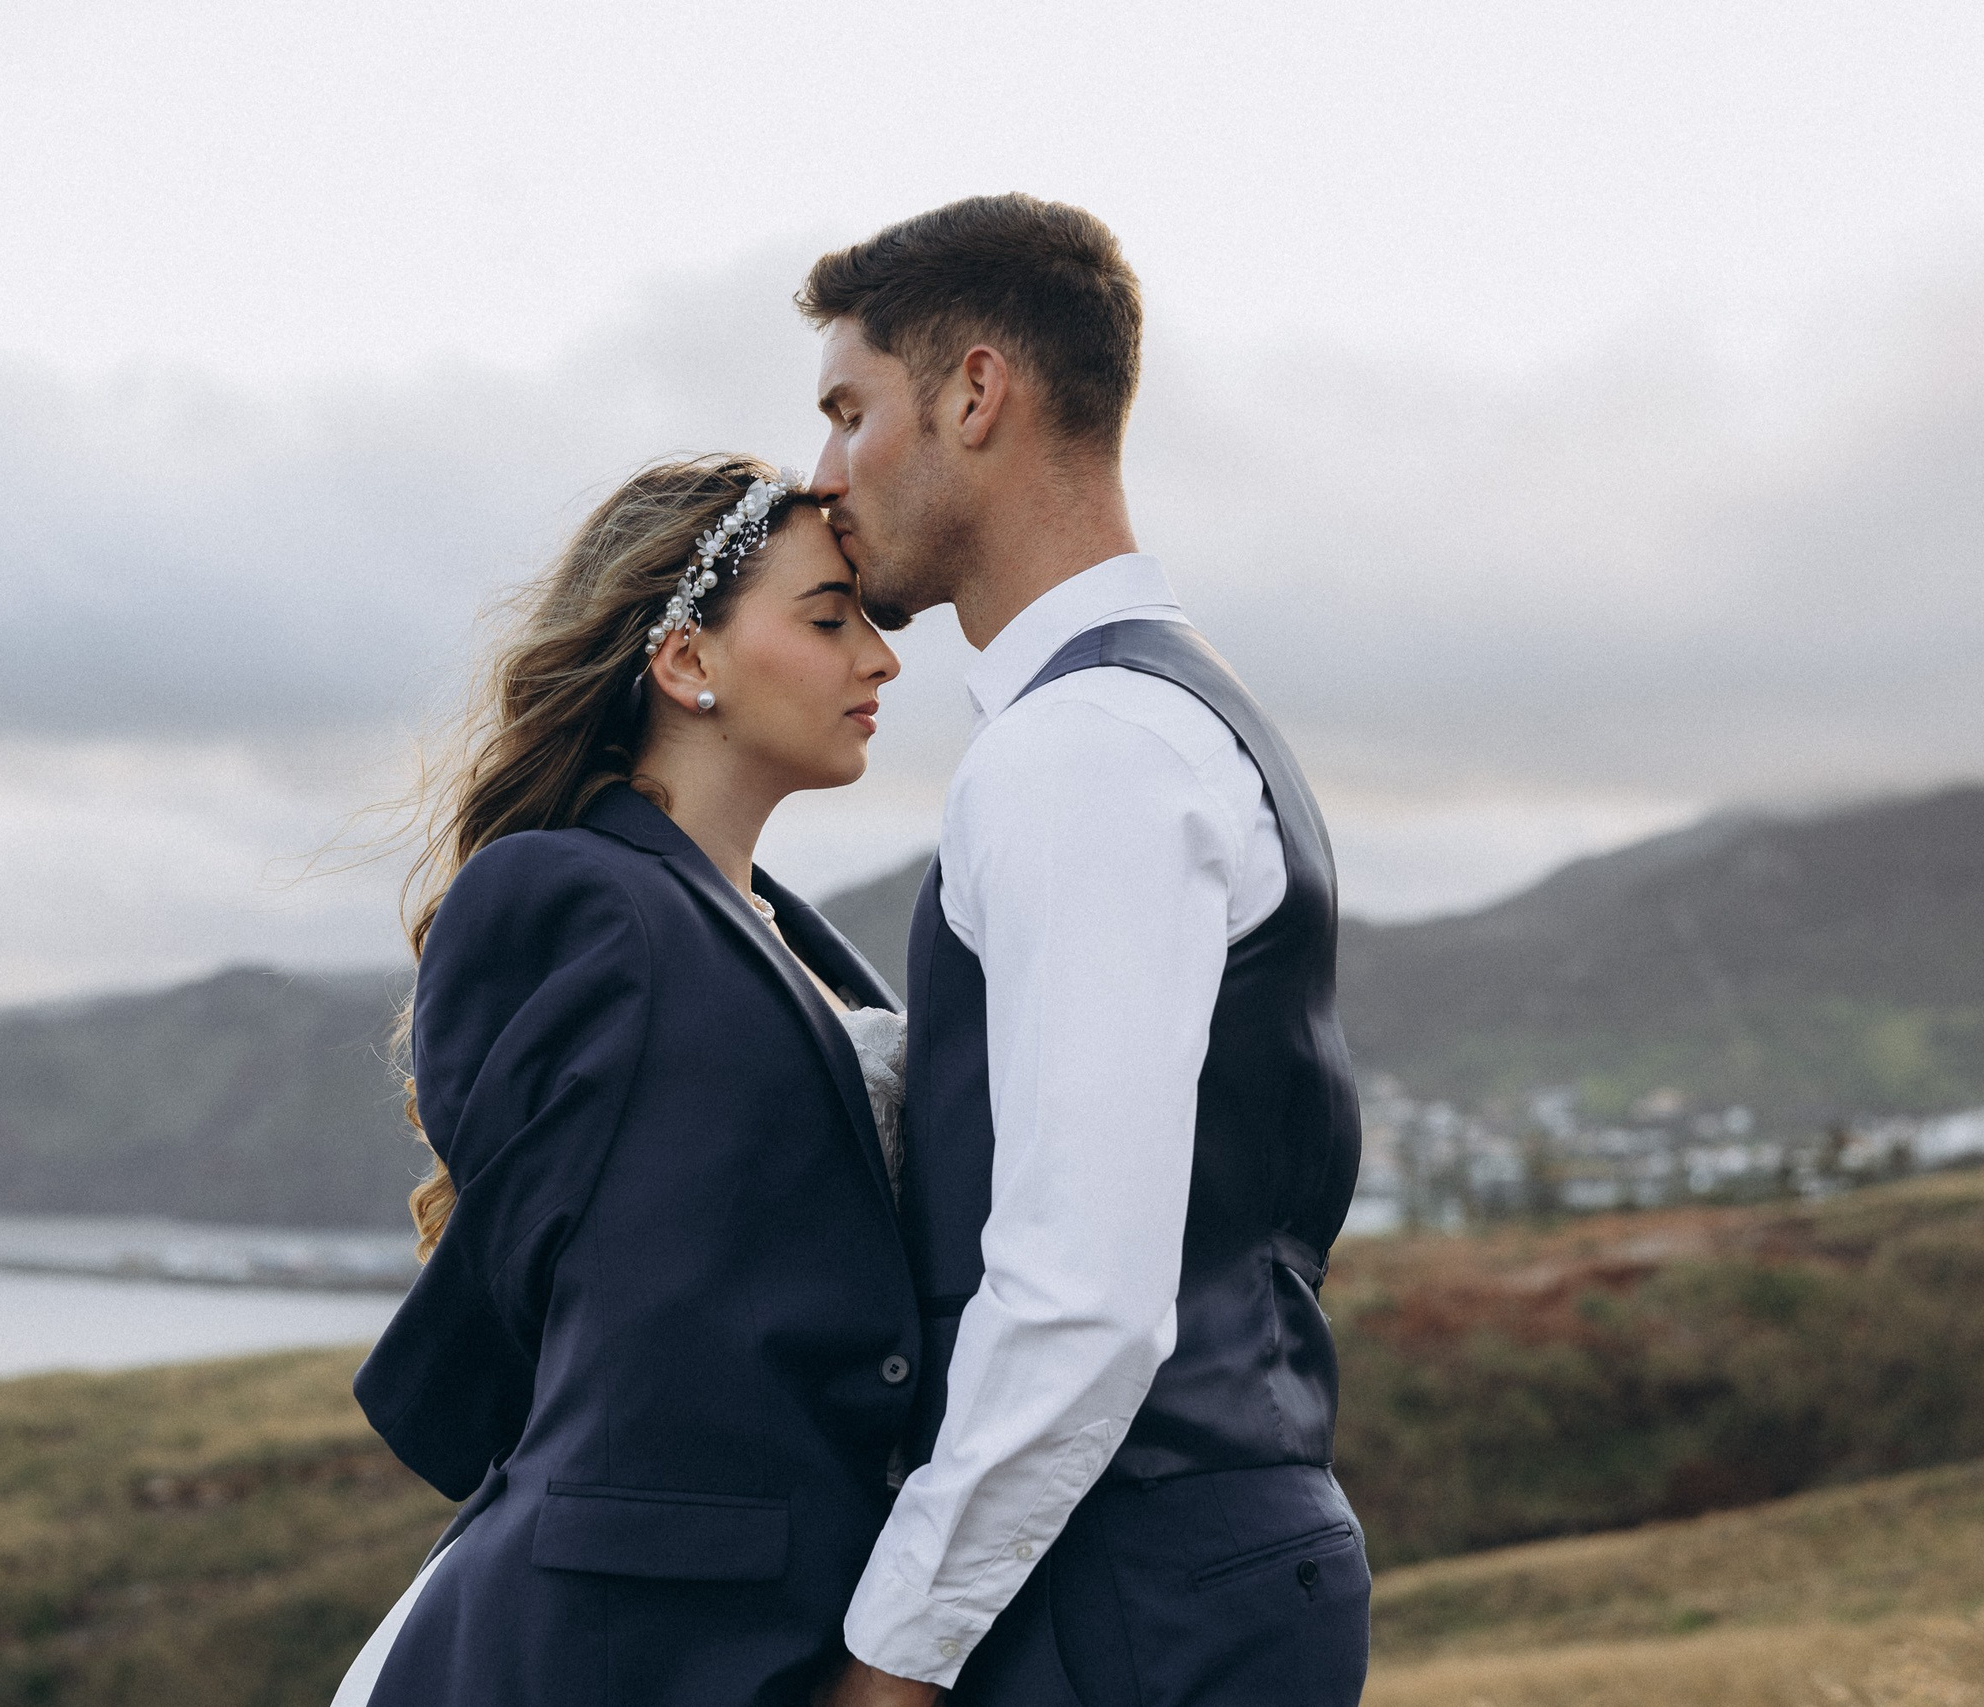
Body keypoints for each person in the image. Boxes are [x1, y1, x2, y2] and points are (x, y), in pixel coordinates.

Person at [806, 196, 1372, 1707]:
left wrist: (893, 1653)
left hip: (1125, 1597)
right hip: (1187, 1569)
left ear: (975, 393)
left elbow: (1081, 1286)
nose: (821, 476)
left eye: (851, 411)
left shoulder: (1088, 750)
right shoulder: (1167, 714)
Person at [335, 456, 920, 1707]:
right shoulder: (563, 894)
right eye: (828, 618)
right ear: (685, 660)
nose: (879, 659)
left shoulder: (787, 934)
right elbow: (532, 1263)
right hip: (612, 1642)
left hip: (795, 1623)